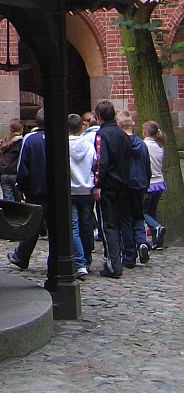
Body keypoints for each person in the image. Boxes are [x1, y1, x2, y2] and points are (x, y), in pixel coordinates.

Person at [92, 99, 132, 279]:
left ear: (99, 117)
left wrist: (97, 184)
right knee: (121, 222)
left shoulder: (102, 134)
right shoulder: (122, 134)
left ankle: (113, 264)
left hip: (109, 185)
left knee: (108, 225)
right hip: (124, 183)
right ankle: (121, 259)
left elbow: (102, 162)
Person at [7, 110, 46, 271]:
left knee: (34, 224)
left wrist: (20, 186)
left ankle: (21, 257)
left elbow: (23, 166)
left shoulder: (30, 139)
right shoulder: (60, 137)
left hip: (35, 189)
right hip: (56, 191)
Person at [116, 110, 151, 267]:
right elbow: (147, 167)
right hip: (140, 185)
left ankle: (129, 256)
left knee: (125, 220)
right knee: (138, 216)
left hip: (124, 185)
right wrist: (146, 187)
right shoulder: (142, 145)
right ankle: (142, 242)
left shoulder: (119, 144)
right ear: (133, 124)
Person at [68, 113, 95, 278]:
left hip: (70, 190)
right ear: (81, 127)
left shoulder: (63, 145)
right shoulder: (89, 145)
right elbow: (95, 164)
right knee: (86, 225)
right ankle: (87, 258)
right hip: (87, 189)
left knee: (74, 227)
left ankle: (80, 263)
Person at [142, 120, 167, 250]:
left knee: (142, 212)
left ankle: (157, 227)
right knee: (152, 212)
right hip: (159, 183)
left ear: (145, 132)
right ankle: (157, 241)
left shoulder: (143, 145)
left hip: (150, 184)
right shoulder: (159, 146)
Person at [0, 119, 24, 203]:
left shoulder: (5, 141)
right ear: (21, 129)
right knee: (17, 200)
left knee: (8, 201)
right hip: (15, 173)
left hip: (4, 173)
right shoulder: (21, 142)